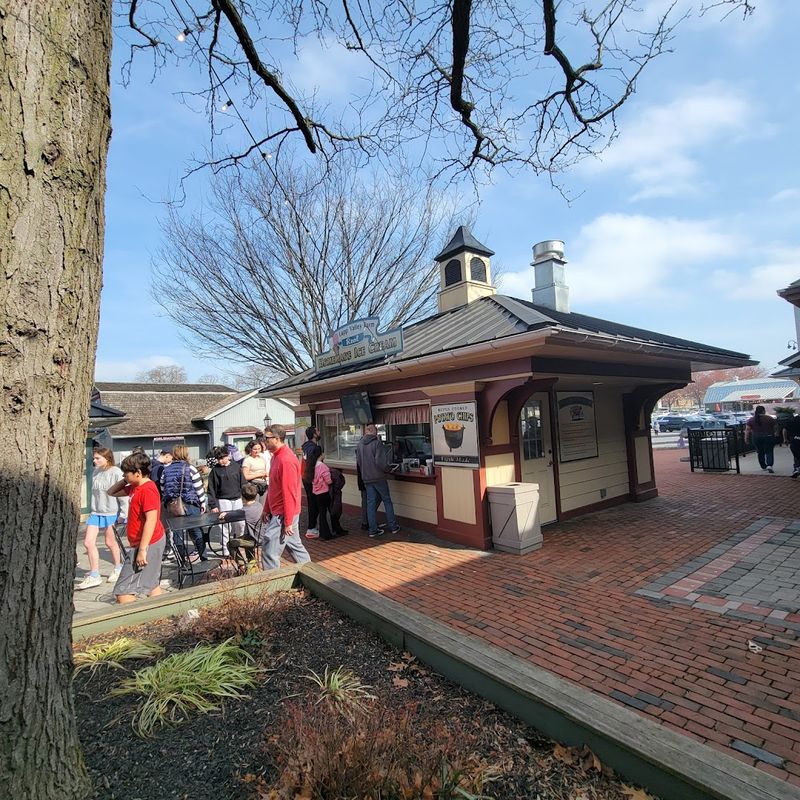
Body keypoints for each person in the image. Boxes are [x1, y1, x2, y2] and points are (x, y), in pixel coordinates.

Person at [106, 452, 166, 603]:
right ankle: (161, 613)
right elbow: (111, 492)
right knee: (151, 584)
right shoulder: (134, 487)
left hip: (147, 543)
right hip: (142, 542)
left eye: (126, 473)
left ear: (138, 473)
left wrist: (142, 551)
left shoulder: (148, 490)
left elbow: (151, 520)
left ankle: (133, 620)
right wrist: (126, 479)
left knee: (123, 591)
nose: (124, 477)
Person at [260, 423, 311, 570]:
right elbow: (273, 487)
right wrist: (266, 508)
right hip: (280, 512)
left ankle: (272, 586)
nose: (264, 440)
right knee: (295, 547)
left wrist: (287, 521)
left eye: (266, 438)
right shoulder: (275, 457)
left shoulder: (286, 460)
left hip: (283, 514)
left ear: (276, 438)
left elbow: (290, 492)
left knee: (269, 552)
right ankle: (311, 571)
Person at [76, 448, 129, 589]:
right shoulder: (96, 472)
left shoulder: (116, 473)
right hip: (96, 512)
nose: (94, 461)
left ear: (107, 458)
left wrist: (123, 514)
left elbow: (123, 495)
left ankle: (118, 567)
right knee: (88, 542)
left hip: (111, 512)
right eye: (94, 458)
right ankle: (94, 574)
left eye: (98, 458)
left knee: (110, 542)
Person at [160, 445, 208, 560]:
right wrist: (202, 503)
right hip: (190, 504)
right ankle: (202, 557)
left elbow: (163, 488)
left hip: (174, 506)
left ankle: (182, 560)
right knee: (196, 531)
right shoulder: (190, 468)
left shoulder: (166, 470)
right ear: (185, 454)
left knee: (177, 534)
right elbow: (199, 488)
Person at [356, 422, 401, 539]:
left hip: (366, 477)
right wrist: (389, 469)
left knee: (370, 503)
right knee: (387, 500)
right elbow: (380, 462)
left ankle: (373, 530)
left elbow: (359, 462)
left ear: (366, 432)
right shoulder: (377, 443)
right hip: (379, 477)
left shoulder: (360, 444)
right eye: (376, 430)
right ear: (373, 431)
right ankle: (393, 526)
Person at [207, 445, 245, 556]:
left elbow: (243, 483)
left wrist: (246, 497)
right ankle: (225, 549)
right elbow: (211, 489)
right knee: (224, 525)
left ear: (228, 456)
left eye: (222, 458)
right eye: (218, 459)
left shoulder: (236, 467)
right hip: (223, 500)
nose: (221, 461)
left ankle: (239, 543)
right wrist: (213, 504)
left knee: (240, 523)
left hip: (237, 499)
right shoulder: (215, 471)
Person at [218, 482, 263, 566]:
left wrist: (224, 514)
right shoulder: (259, 505)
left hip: (254, 540)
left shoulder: (244, 511)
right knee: (245, 537)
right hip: (260, 536)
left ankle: (241, 565)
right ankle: (251, 563)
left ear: (242, 497)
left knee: (230, 543)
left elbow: (228, 517)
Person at [309, 453, 336, 540]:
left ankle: (322, 532)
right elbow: (328, 481)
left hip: (316, 492)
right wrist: (332, 481)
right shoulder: (323, 466)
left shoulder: (312, 465)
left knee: (321, 513)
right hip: (324, 491)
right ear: (321, 455)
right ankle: (327, 533)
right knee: (329, 511)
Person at [301, 426, 323, 536]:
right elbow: (314, 464)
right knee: (316, 503)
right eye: (318, 431)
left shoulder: (305, 446)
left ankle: (312, 526)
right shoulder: (316, 448)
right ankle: (312, 527)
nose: (319, 432)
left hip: (305, 477)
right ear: (314, 434)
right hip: (313, 478)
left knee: (311, 502)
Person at [745, 405, 777, 473]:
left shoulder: (751, 419)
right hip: (768, 436)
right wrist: (775, 433)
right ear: (763, 411)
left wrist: (746, 438)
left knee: (760, 452)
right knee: (769, 451)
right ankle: (769, 465)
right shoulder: (769, 418)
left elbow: (747, 430)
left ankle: (763, 466)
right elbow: (775, 427)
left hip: (756, 437)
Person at [328, 464, 349, 537]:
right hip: (335, 493)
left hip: (330, 493)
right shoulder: (337, 474)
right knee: (336, 511)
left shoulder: (331, 472)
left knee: (333, 510)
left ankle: (336, 528)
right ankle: (337, 529)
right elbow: (339, 484)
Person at [783, 410, 800, 478]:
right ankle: (797, 468)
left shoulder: (792, 420)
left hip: (794, 440)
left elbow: (784, 429)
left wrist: (785, 439)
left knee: (796, 456)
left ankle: (796, 468)